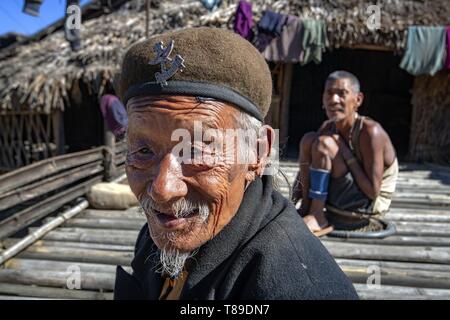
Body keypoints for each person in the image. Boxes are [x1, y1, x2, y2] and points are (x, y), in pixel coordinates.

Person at [113, 28, 357, 300]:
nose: (162, 189)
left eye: (194, 150)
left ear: (257, 153)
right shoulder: (164, 229)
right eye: (144, 150)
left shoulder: (299, 289)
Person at [292, 71, 398, 237]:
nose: (334, 100)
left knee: (324, 144)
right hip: (341, 198)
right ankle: (308, 208)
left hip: (366, 206)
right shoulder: (329, 126)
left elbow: (372, 192)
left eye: (342, 94)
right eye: (329, 93)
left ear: (358, 100)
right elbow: (305, 167)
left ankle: (318, 215)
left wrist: (344, 149)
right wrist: (293, 201)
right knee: (309, 139)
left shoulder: (370, 132)